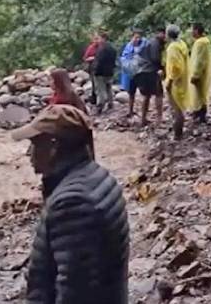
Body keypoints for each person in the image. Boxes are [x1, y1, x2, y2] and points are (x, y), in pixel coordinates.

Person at [11, 104, 129, 303]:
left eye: (35, 143)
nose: (28, 153)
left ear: (54, 145)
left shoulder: (72, 202)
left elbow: (75, 291)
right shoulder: (96, 175)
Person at [135, 27, 166, 127]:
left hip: (143, 71)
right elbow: (155, 58)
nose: (165, 37)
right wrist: (161, 68)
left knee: (146, 96)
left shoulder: (150, 42)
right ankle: (159, 119)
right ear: (159, 33)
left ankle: (143, 119)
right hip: (152, 71)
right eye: (163, 34)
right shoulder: (155, 43)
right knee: (159, 94)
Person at [164, 25, 190, 139]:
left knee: (176, 108)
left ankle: (177, 135)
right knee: (179, 106)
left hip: (175, 82)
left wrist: (169, 81)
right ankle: (178, 132)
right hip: (183, 79)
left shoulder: (172, 48)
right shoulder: (182, 44)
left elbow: (176, 67)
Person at [189, 23, 211, 125]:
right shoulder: (204, 41)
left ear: (197, 31)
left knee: (198, 94)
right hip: (205, 72)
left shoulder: (200, 43)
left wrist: (195, 74)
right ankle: (200, 114)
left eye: (192, 30)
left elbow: (199, 60)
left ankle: (199, 114)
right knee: (202, 93)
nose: (191, 32)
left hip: (199, 73)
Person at [120, 29, 147, 119]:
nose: (137, 39)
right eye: (135, 37)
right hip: (131, 74)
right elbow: (124, 59)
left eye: (139, 37)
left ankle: (144, 115)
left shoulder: (144, 46)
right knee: (131, 93)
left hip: (141, 73)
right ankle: (130, 110)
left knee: (144, 93)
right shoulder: (128, 47)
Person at [92, 31, 117, 115]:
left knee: (100, 90)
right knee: (109, 88)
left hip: (101, 73)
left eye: (99, 38)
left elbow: (99, 61)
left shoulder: (101, 49)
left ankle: (100, 106)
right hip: (110, 72)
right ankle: (111, 104)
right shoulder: (112, 48)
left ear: (103, 38)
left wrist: (95, 70)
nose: (98, 40)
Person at [83, 33, 100, 106]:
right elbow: (85, 58)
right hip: (93, 68)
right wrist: (91, 58)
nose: (96, 41)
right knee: (94, 84)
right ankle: (94, 99)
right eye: (95, 39)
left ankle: (100, 99)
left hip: (101, 68)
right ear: (92, 40)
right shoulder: (91, 48)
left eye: (98, 39)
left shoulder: (102, 47)